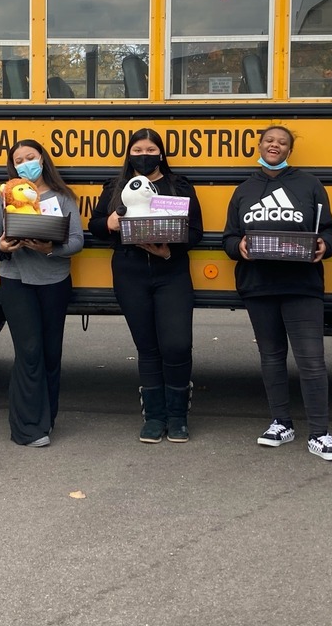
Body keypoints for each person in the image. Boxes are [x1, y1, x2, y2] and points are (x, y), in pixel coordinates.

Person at [221, 125, 332, 461]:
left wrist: (325, 244)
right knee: (272, 357)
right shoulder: (244, 190)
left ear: (290, 149)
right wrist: (239, 246)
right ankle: (281, 423)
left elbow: (330, 231)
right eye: (269, 141)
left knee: (311, 360)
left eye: (282, 142)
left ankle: (320, 433)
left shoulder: (309, 185)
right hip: (258, 285)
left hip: (301, 284)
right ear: (259, 146)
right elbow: (229, 238)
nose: (274, 146)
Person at [89, 129, 203, 443]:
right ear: (129, 153)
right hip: (130, 271)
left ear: (161, 153)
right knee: (148, 348)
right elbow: (96, 226)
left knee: (177, 344)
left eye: (150, 148)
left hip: (172, 271)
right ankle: (154, 417)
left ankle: (178, 416)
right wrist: (109, 223)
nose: (144, 154)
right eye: (138, 149)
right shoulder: (115, 187)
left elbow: (194, 231)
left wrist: (170, 251)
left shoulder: (178, 186)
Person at [0, 139, 84, 447]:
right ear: (12, 166)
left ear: (43, 160)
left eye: (31, 157)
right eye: (19, 160)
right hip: (16, 280)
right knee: (29, 352)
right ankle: (26, 427)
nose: (26, 163)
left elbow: (77, 241)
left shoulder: (63, 197)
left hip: (54, 281)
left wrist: (51, 247)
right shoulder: (2, 196)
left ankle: (46, 419)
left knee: (51, 353)